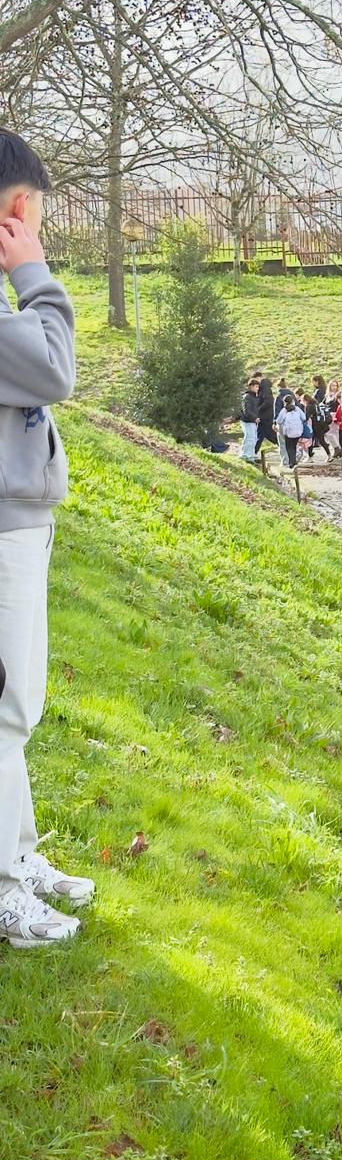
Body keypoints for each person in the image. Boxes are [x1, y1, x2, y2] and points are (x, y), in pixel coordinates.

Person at [0, 128, 95, 948]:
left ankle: (17, 857)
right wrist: (35, 272)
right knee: (5, 709)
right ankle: (3, 886)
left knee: (17, 705)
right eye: (34, 219)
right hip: (3, 526)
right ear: (20, 208)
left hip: (20, 521)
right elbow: (55, 364)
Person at [275, 394, 310, 467]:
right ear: (293, 401)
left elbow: (278, 421)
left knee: (289, 447)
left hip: (288, 432)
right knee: (294, 446)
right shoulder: (297, 409)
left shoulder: (284, 410)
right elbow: (303, 418)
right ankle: (293, 461)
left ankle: (292, 462)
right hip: (298, 431)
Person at [240, 379, 261, 462]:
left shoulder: (253, 397)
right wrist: (255, 418)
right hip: (247, 421)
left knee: (253, 438)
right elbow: (246, 410)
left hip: (252, 421)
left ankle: (250, 454)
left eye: (258, 387)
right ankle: (246, 455)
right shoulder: (247, 397)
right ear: (251, 386)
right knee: (249, 438)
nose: (257, 388)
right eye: (256, 386)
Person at [255, 375, 277, 451]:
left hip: (265, 416)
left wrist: (258, 409)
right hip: (267, 416)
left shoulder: (265, 390)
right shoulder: (266, 390)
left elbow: (268, 401)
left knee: (262, 435)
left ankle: (253, 451)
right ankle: (254, 451)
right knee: (264, 434)